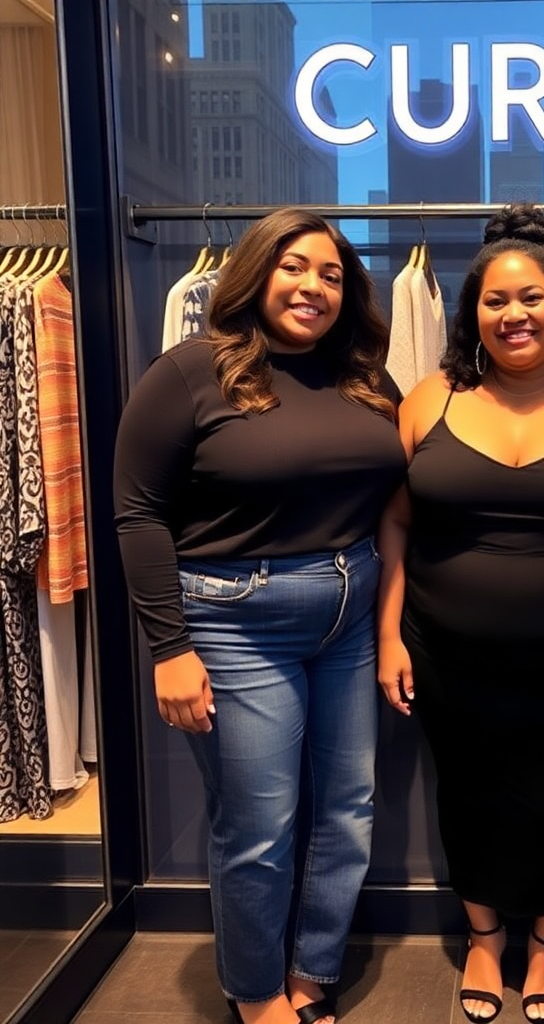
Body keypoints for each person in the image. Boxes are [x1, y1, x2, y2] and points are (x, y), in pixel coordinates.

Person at [113, 208, 406, 1024]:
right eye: (294, 267)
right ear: (254, 273)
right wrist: (169, 647)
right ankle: (254, 992)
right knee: (259, 824)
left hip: (349, 608)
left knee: (349, 808)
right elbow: (138, 515)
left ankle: (314, 967)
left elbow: (396, 497)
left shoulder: (365, 379)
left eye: (332, 274)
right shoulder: (188, 372)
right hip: (235, 622)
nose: (314, 286)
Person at [376, 204, 544, 1024]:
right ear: (471, 313)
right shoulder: (427, 400)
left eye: (531, 299)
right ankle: (485, 937)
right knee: (467, 794)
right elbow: (394, 522)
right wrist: (388, 634)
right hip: (445, 652)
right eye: (494, 301)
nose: (513, 315)